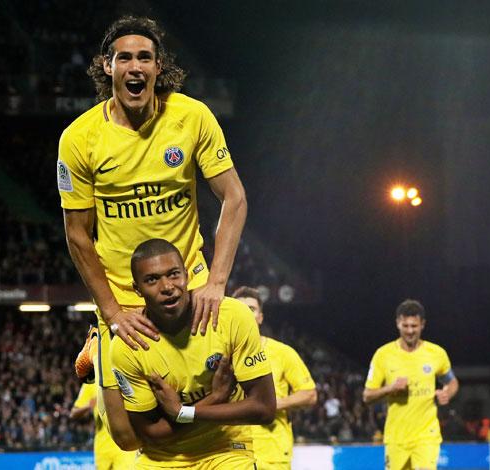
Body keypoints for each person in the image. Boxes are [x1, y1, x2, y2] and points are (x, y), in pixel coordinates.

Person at [58, 15, 247, 449]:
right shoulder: (79, 139)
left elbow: (234, 198)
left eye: (145, 57)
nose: (135, 66)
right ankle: (97, 336)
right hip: (124, 300)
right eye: (124, 57)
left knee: (215, 396)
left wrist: (216, 282)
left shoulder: (192, 116)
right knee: (126, 438)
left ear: (159, 67)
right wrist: (110, 313)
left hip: (189, 287)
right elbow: (78, 235)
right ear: (108, 67)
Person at [110, 238, 276, 469]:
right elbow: (152, 433)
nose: (167, 286)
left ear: (187, 275)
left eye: (174, 274)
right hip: (161, 459)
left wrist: (183, 412)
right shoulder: (127, 345)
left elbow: (264, 409)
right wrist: (215, 399)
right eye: (152, 279)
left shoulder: (230, 316)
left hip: (225, 450)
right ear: (136, 289)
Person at [363, 299, 459, 470]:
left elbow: (451, 381)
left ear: (423, 324)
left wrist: (447, 393)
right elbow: (367, 396)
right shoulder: (383, 355)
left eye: (414, 326)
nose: (409, 331)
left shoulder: (436, 353)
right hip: (396, 438)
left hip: (426, 436)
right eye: (405, 325)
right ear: (397, 324)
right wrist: (390, 388)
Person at [233, 286, 317, 470]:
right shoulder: (220, 355)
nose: (246, 314)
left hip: (273, 452)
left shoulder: (283, 352)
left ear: (260, 317)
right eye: (240, 309)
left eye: (252, 309)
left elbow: (309, 394)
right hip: (233, 450)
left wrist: (274, 403)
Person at [71, 329, 137, 470]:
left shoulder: (127, 375)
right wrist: (88, 406)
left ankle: (96, 345)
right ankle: (96, 345)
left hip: (126, 447)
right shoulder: (91, 385)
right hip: (103, 448)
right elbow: (73, 413)